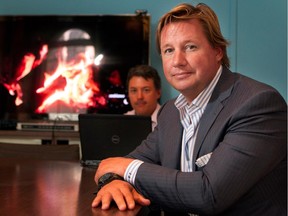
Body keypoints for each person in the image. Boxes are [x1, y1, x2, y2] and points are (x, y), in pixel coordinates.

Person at [92, 3, 287, 215]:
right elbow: (127, 164)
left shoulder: (258, 104)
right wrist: (111, 181)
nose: (177, 61)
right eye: (168, 50)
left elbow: (208, 193)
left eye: (190, 47)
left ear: (217, 51)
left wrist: (124, 168)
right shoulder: (170, 112)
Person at [125, 65, 161, 130]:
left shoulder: (169, 121)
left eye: (146, 90)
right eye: (134, 90)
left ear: (158, 93)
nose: (139, 97)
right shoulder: (123, 121)